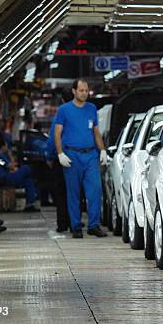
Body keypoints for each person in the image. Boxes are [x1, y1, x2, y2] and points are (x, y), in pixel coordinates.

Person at [54, 79, 108, 238]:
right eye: (81, 90)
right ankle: (76, 226)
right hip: (71, 155)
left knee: (95, 191)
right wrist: (60, 153)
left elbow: (96, 132)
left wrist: (102, 150)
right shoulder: (64, 110)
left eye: (86, 90)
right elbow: (57, 133)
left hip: (91, 155)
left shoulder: (92, 109)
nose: (84, 93)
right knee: (73, 193)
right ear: (74, 91)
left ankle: (94, 225)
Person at [0, 139, 40, 212]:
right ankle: (33, 197)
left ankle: (30, 204)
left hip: (8, 176)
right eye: (6, 146)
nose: (7, 147)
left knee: (28, 180)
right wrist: (10, 154)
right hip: (6, 178)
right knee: (27, 168)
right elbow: (11, 166)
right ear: (2, 147)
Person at [46, 120, 70, 233]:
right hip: (77, 158)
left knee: (61, 193)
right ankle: (74, 223)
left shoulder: (58, 118)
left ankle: (62, 224)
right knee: (75, 192)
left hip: (59, 159)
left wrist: (50, 156)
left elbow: (52, 140)